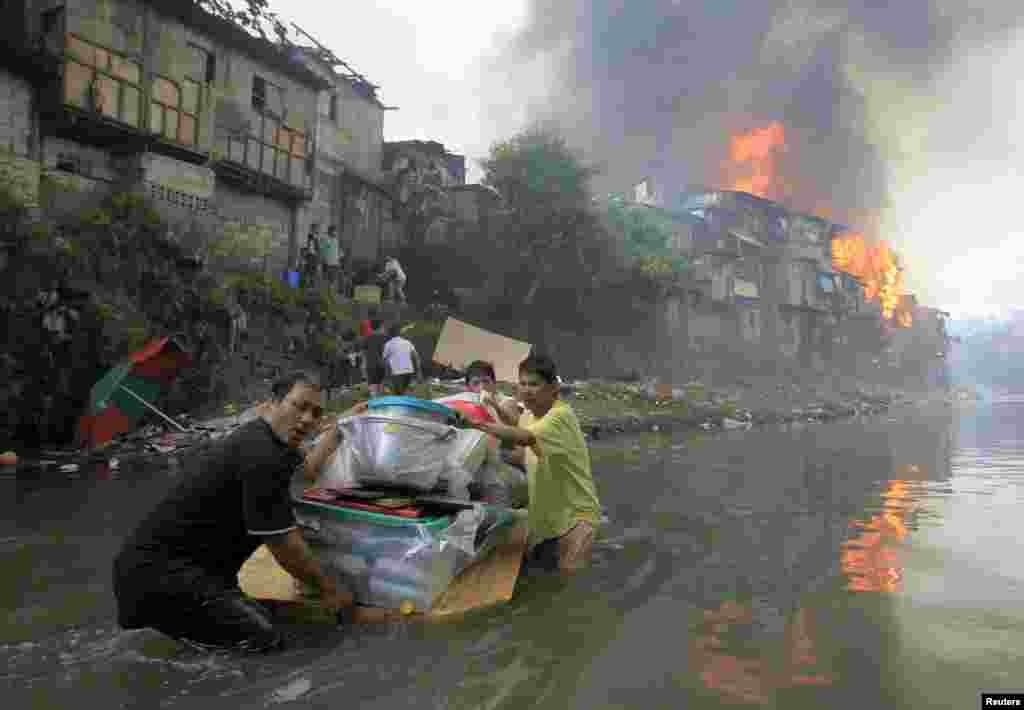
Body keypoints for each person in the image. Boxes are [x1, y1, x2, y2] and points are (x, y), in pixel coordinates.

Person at [112, 371, 368, 653]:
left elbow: (307, 470)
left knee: (262, 624)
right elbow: (285, 547)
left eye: (316, 413)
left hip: (182, 573)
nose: (307, 419)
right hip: (162, 577)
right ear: (273, 403)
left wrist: (338, 430)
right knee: (266, 642)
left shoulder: (272, 442)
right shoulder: (262, 456)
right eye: (299, 406)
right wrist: (331, 590)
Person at [471, 354, 601, 573]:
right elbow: (515, 422)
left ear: (553, 388)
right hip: (547, 524)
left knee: (567, 588)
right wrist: (493, 403)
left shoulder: (560, 416)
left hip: (576, 523)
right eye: (522, 383)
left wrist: (477, 424)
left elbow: (525, 437)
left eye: (534, 384)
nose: (526, 390)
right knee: (545, 582)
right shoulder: (531, 414)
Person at [382, 323, 420, 396]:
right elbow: (416, 357)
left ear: (389, 334)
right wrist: (418, 372)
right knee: (406, 393)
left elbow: (385, 361)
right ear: (399, 333)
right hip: (409, 372)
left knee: (399, 394)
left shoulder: (388, 344)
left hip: (396, 373)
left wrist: (387, 376)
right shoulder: (407, 342)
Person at [362, 319, 389, 397]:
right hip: (382, 366)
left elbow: (364, 353)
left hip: (370, 366)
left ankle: (374, 405)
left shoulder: (366, 338)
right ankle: (382, 406)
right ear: (381, 326)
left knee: (373, 390)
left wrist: (364, 367)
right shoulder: (385, 338)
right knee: (381, 389)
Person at [320, 225, 341, 293]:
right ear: (330, 231)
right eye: (334, 231)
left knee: (333, 280)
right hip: (327, 263)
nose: (335, 233)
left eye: (335, 231)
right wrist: (322, 260)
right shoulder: (325, 239)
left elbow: (337, 251)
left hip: (335, 263)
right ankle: (326, 292)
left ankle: (331, 292)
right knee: (326, 280)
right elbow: (322, 250)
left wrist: (339, 258)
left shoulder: (336, 240)